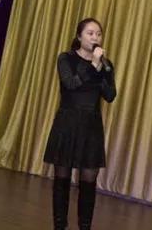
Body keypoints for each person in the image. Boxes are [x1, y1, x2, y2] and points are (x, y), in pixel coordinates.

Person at [44, 18, 116, 230]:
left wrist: (102, 70)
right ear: (79, 36)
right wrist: (92, 66)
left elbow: (110, 95)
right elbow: (71, 84)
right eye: (90, 33)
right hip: (67, 123)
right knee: (62, 179)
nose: (95, 38)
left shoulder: (106, 64)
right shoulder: (66, 58)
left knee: (89, 181)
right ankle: (60, 226)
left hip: (91, 127)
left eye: (98, 34)